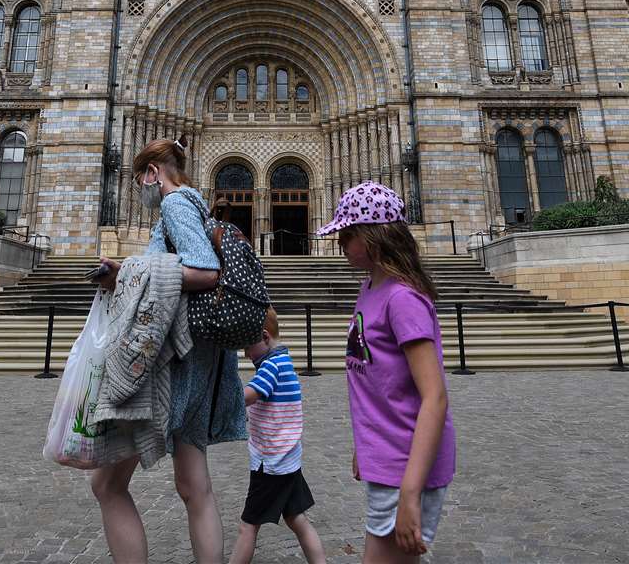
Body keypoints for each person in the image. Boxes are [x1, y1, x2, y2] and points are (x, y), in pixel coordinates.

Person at [89, 138, 247, 564]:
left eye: (141, 177)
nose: (140, 186)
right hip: (202, 356)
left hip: (173, 363)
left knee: (107, 486)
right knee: (195, 487)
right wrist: (124, 272)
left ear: (154, 173)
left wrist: (134, 270)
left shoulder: (175, 204)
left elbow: (205, 270)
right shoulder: (197, 204)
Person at [320, 182, 455, 562]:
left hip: (407, 464)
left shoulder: (403, 298)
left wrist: (410, 492)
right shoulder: (371, 288)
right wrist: (365, 447)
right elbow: (377, 378)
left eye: (348, 234)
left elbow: (435, 396)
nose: (340, 243)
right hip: (390, 454)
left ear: (374, 237)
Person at [231, 307, 326, 564]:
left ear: (264, 337)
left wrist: (221, 401)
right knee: (297, 519)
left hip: (271, 463)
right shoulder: (284, 361)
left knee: (248, 526)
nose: (246, 354)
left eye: (248, 347)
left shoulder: (271, 366)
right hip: (288, 459)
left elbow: (249, 396)